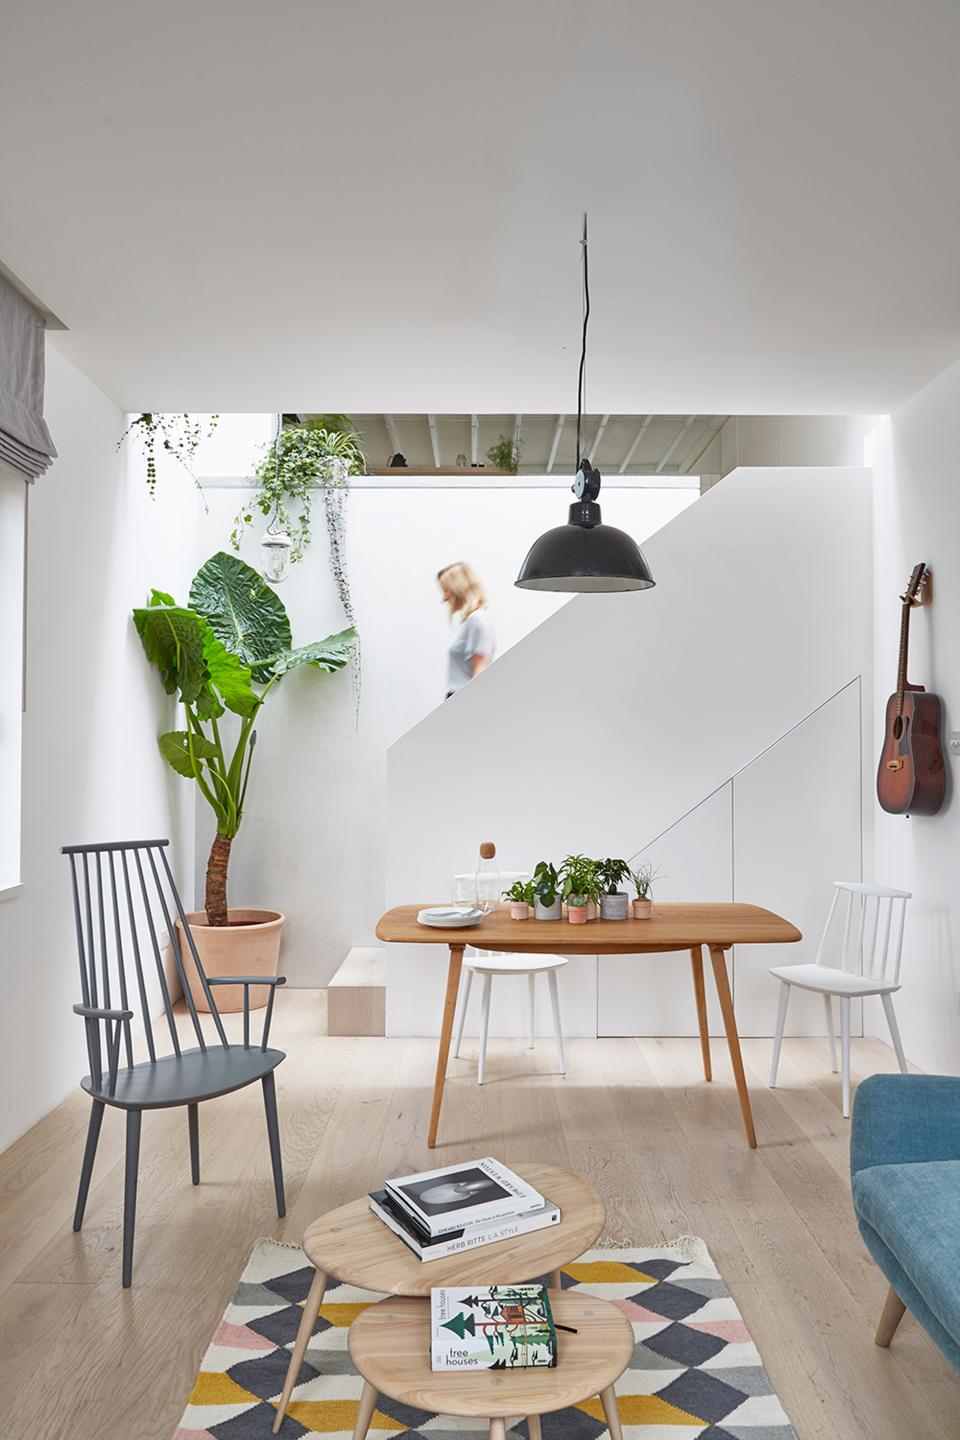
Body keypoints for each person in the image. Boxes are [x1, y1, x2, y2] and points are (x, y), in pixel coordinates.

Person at [437, 561, 495, 697]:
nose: (444, 599)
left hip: (462, 699)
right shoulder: (474, 619)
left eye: (446, 590)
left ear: (459, 588)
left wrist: (471, 708)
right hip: (460, 699)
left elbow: (480, 668)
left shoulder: (477, 619)